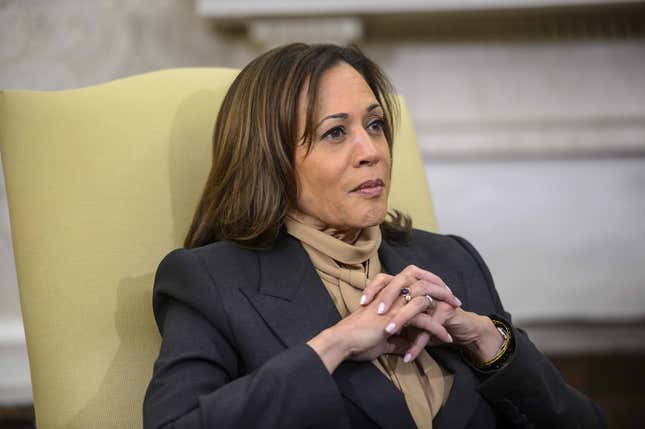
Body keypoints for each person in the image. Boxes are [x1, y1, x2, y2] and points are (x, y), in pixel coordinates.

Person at [143, 43, 606, 429]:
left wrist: (486, 340)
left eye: (375, 124)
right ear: (271, 159)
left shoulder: (450, 259)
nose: (371, 152)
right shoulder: (210, 281)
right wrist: (334, 344)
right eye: (336, 132)